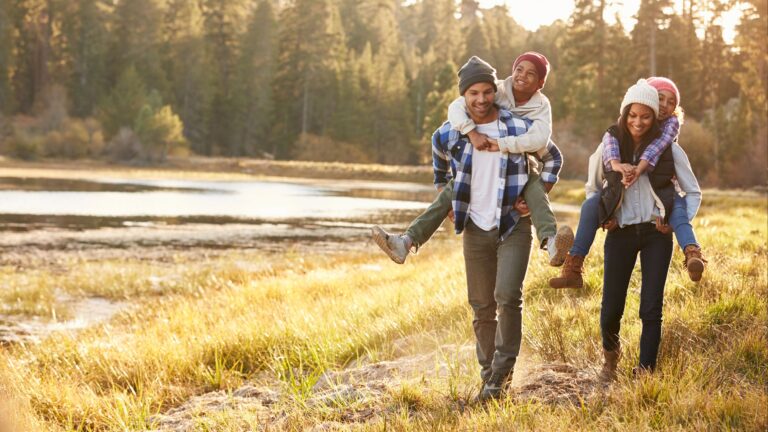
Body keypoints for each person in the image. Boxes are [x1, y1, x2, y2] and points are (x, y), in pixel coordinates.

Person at [416, 56, 562, 401]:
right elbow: (438, 150)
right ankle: (490, 379)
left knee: (508, 297)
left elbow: (553, 156)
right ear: (464, 96)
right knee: (481, 306)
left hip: (513, 223)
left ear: (494, 94)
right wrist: (444, 191)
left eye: (486, 92)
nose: (480, 99)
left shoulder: (516, 126)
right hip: (476, 228)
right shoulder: (456, 127)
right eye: (473, 93)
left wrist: (542, 189)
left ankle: (501, 373)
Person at [372, 52, 573, 267]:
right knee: (452, 190)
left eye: (531, 73)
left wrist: (536, 194)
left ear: (541, 83)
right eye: (519, 69)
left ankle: (551, 243)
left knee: (534, 188)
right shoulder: (495, 91)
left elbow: (544, 142)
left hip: (520, 167)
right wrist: (471, 132)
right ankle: (405, 242)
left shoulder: (540, 109)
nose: (522, 75)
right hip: (480, 167)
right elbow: (456, 108)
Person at [549, 76, 706, 289]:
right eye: (660, 99)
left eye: (671, 103)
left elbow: (660, 152)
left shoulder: (668, 137)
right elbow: (595, 183)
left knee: (677, 208)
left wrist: (640, 169)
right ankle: (573, 264)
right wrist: (606, 214)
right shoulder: (614, 137)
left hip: (662, 201)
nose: (665, 106)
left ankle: (692, 253)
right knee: (590, 205)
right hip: (622, 220)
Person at [589, 79, 692, 379]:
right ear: (626, 113)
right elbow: (592, 187)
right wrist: (604, 214)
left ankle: (646, 369)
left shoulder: (670, 150)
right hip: (620, 233)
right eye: (633, 115)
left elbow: (692, 191)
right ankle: (610, 358)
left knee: (651, 307)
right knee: (611, 308)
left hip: (655, 235)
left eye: (646, 115)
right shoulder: (611, 145)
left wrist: (674, 219)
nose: (639, 120)